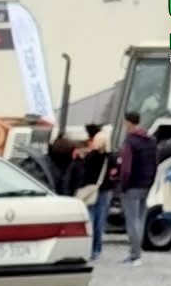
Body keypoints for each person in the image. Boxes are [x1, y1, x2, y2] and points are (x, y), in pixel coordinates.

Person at [114, 110, 159, 264]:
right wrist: (151, 182)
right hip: (146, 184)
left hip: (132, 185)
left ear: (127, 122)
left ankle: (135, 254)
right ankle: (137, 253)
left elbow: (126, 167)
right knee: (140, 219)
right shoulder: (151, 140)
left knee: (132, 221)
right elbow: (155, 163)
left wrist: (123, 185)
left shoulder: (130, 141)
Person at [68, 124, 111, 260]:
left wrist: (79, 159)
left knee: (90, 219)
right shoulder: (109, 157)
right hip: (103, 190)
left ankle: (89, 247)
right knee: (100, 221)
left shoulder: (90, 157)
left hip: (90, 191)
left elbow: (84, 173)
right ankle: (97, 249)